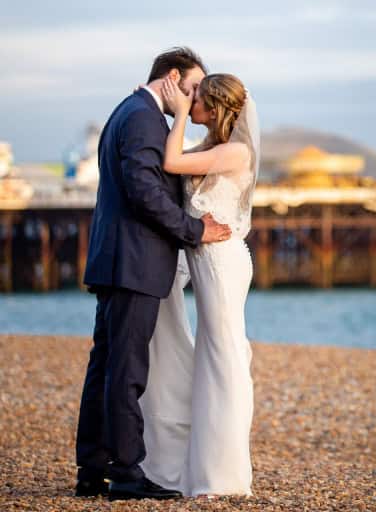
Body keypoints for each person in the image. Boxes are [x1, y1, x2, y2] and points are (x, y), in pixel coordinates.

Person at [75, 47, 232, 501]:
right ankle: (125, 474)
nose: (194, 98)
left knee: (105, 366)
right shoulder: (143, 117)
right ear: (173, 76)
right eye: (192, 89)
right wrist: (195, 230)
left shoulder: (130, 109)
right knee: (126, 371)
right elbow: (145, 192)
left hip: (116, 258)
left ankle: (93, 469)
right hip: (134, 262)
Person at [139, 71, 259, 497]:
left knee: (223, 354)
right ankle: (205, 462)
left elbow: (172, 163)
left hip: (223, 262)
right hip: (207, 260)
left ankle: (225, 473)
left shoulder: (236, 152)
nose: (193, 102)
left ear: (217, 107)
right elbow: (171, 166)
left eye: (199, 100)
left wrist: (178, 115)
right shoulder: (212, 147)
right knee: (214, 353)